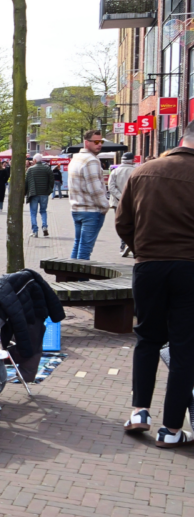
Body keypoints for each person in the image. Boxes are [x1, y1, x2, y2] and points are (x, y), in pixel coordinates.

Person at [116, 123, 194, 447]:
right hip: (190, 268)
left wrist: (142, 249)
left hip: (148, 266)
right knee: (184, 348)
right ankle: (172, 430)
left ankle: (139, 412)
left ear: (181, 140)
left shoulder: (143, 172)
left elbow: (122, 223)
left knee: (147, 338)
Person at [69, 130, 111, 260]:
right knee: (85, 250)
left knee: (78, 245)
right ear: (87, 143)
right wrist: (105, 206)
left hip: (77, 209)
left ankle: (70, 276)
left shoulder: (76, 158)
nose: (100, 145)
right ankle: (81, 279)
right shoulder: (91, 160)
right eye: (96, 142)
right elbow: (95, 189)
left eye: (101, 141)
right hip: (91, 210)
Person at [108, 153, 136, 257]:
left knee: (122, 224)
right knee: (134, 223)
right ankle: (133, 245)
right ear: (132, 160)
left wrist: (120, 197)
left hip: (117, 202)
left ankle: (123, 245)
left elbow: (111, 187)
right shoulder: (136, 171)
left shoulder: (115, 171)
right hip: (133, 202)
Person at [25, 154, 53, 237]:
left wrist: (25, 192)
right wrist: (49, 190)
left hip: (34, 193)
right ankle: (44, 226)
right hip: (44, 193)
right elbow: (52, 180)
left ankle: (35, 231)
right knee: (43, 211)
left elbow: (26, 182)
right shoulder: (47, 169)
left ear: (34, 160)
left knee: (33, 212)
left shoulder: (30, 170)